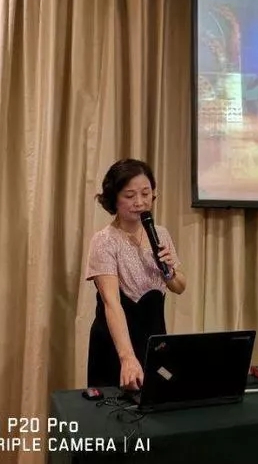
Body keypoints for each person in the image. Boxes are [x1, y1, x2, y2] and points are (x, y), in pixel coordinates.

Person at [85, 159, 186, 391]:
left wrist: (169, 271)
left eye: (145, 193)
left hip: (155, 339)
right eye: (130, 195)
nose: (139, 202)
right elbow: (111, 302)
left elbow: (180, 286)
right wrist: (127, 358)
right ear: (114, 198)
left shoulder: (160, 233)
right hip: (116, 345)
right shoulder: (104, 241)